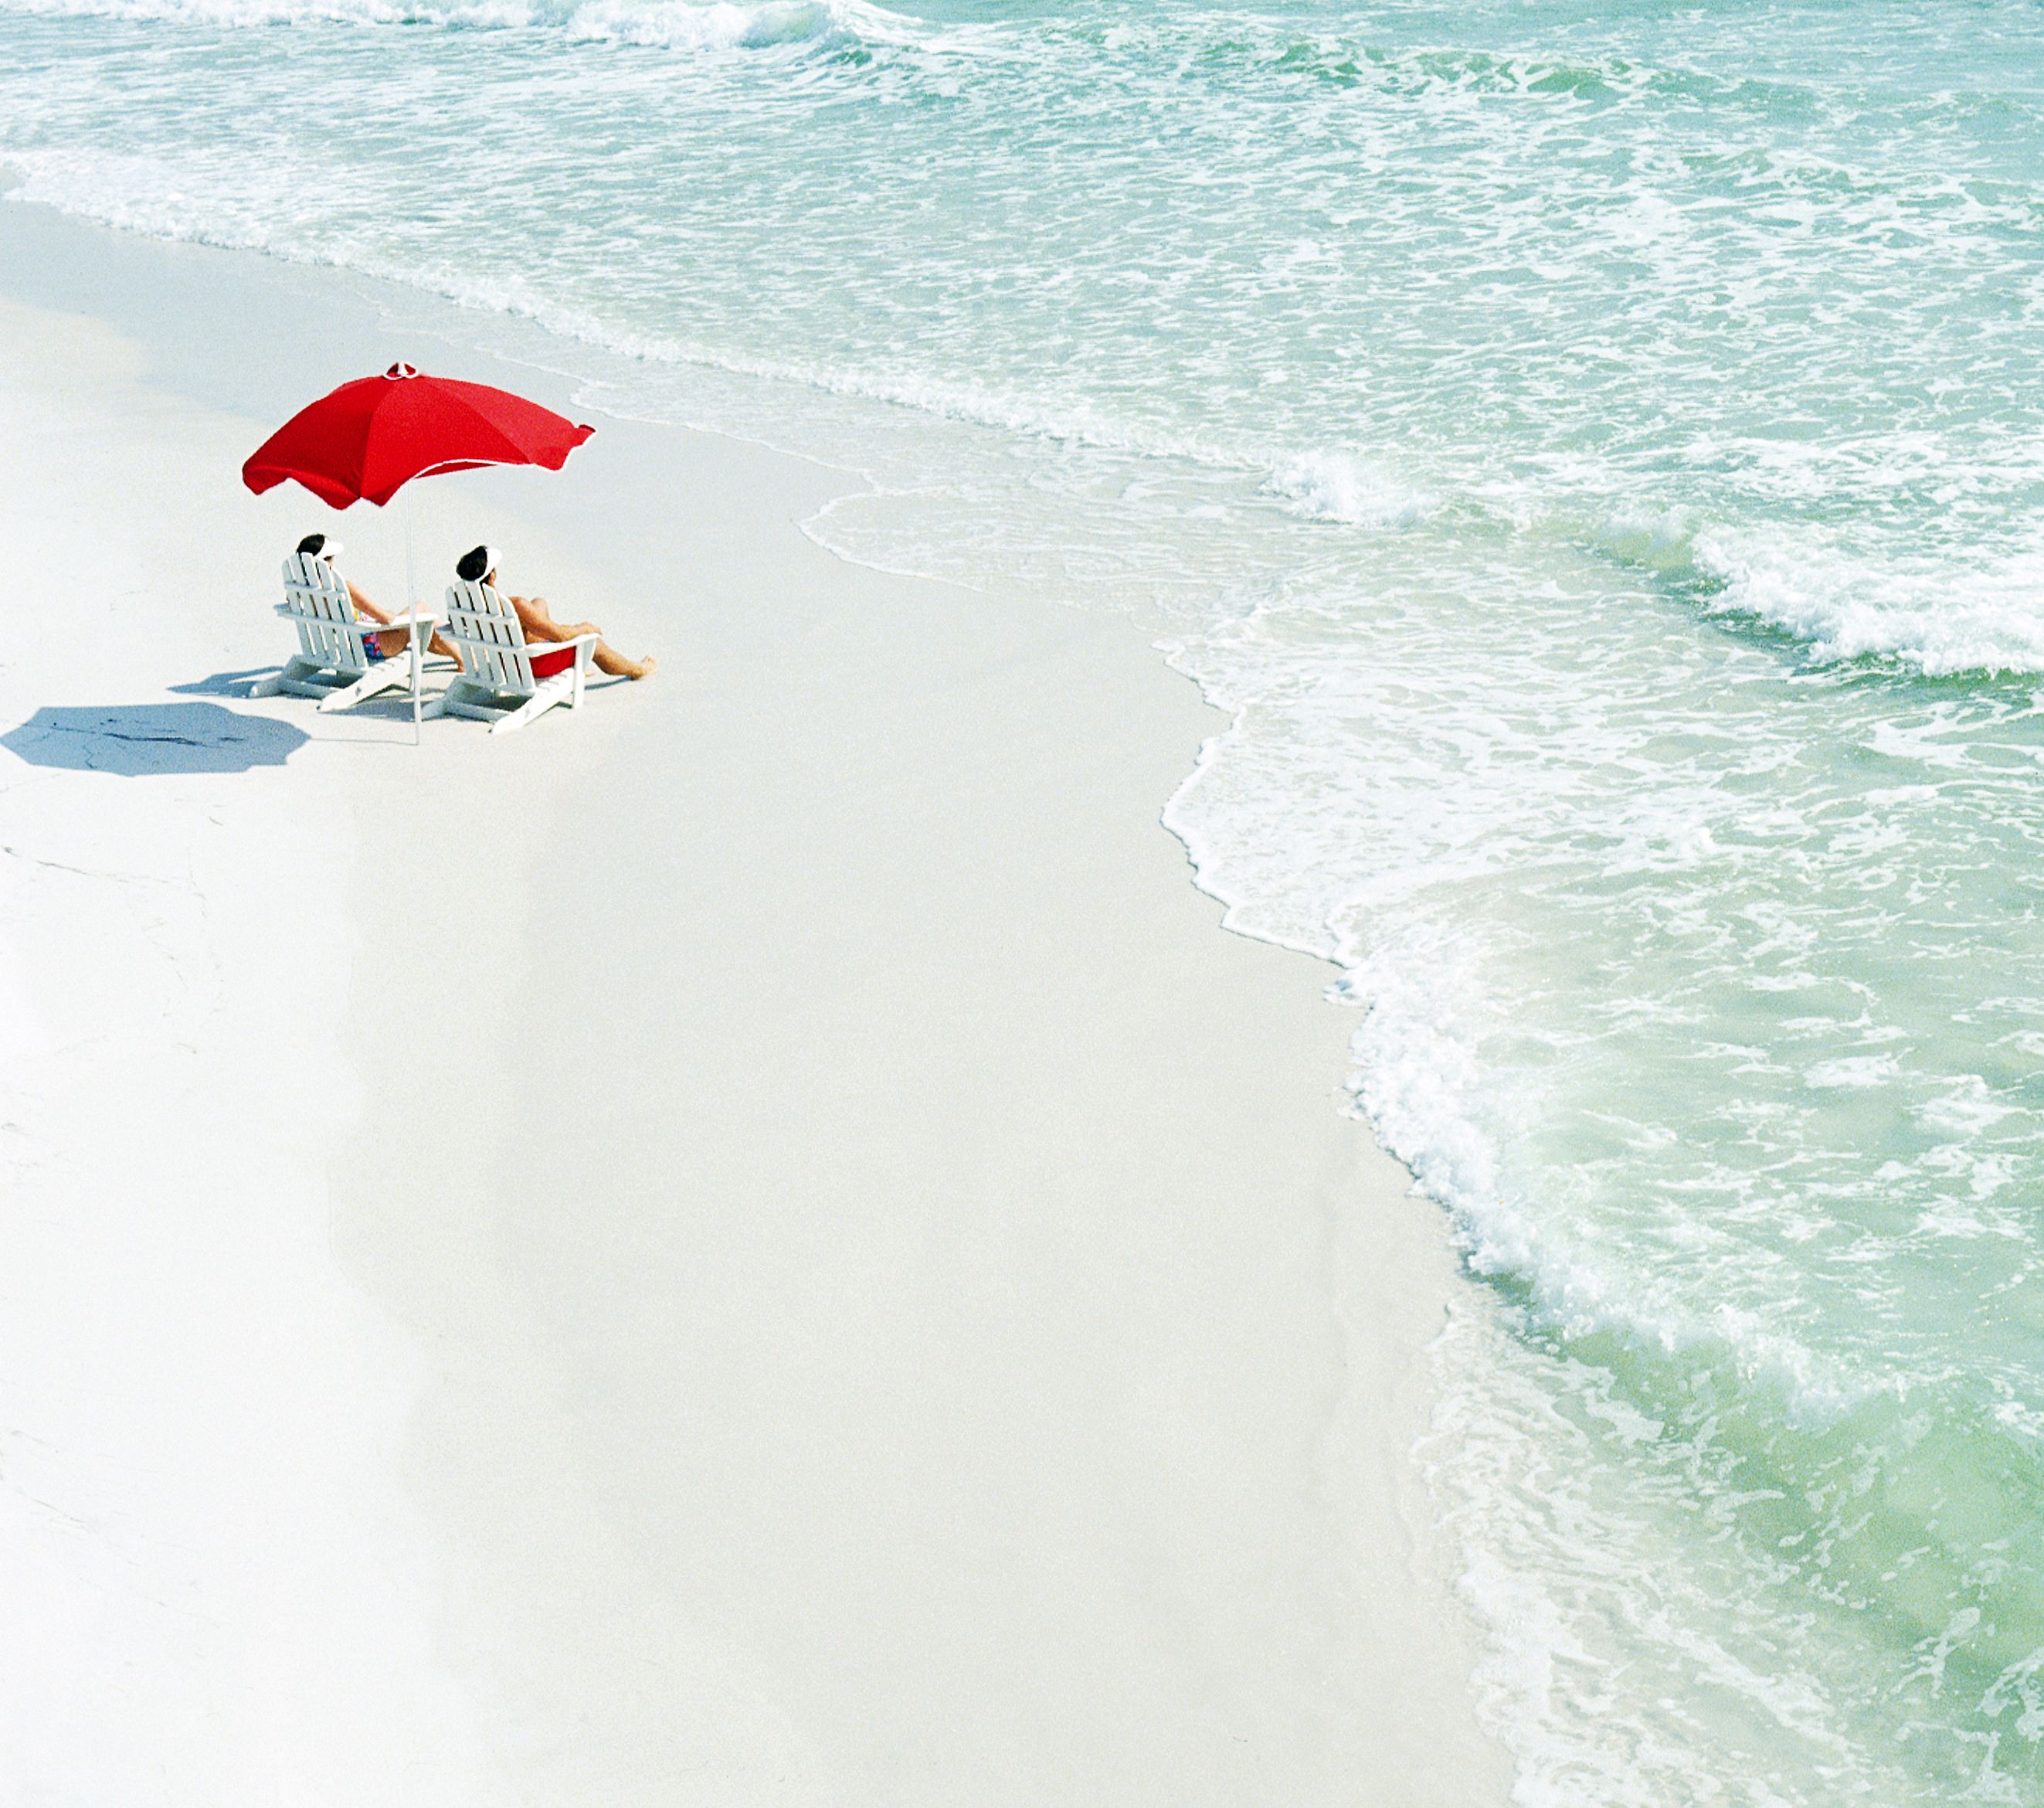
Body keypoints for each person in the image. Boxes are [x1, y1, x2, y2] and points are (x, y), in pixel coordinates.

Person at [454, 545, 656, 680]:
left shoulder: (466, 605)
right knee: (593, 643)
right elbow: (561, 636)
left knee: (539, 603)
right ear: (492, 576)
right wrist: (585, 628)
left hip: (503, 662)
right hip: (527, 666)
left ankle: (569, 660)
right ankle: (636, 669)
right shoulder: (516, 605)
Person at [295, 533, 459, 664]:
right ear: (326, 563)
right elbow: (386, 619)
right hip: (374, 646)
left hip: (348, 646)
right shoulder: (344, 589)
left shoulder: (303, 591)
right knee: (422, 611)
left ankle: (461, 656)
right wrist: (389, 613)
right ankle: (463, 659)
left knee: (426, 630)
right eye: (331, 557)